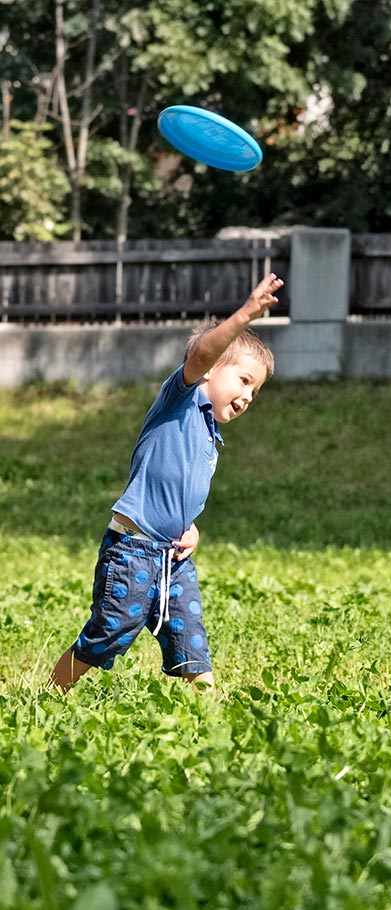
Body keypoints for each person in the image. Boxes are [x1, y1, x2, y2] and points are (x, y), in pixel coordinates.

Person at [50, 272, 283, 693]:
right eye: (244, 381)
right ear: (210, 371)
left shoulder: (210, 433)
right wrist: (247, 313)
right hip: (133, 549)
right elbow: (202, 353)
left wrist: (190, 527)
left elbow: (179, 492)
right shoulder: (180, 399)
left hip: (173, 557)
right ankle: (50, 693)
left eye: (256, 390)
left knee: (190, 638)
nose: (249, 396)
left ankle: (210, 715)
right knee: (111, 630)